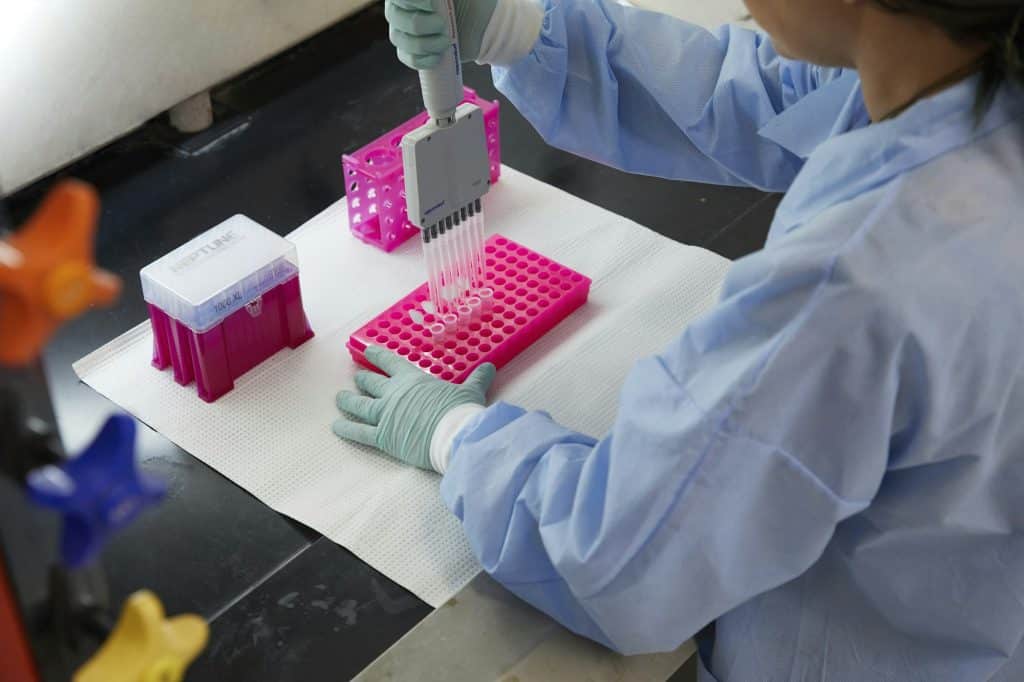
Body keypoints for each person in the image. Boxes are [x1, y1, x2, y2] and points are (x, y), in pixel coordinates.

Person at [333, 0, 1024, 679]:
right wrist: (523, 31)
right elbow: (777, 98)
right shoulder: (973, 85)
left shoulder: (848, 286)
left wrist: (457, 437)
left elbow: (623, 557)